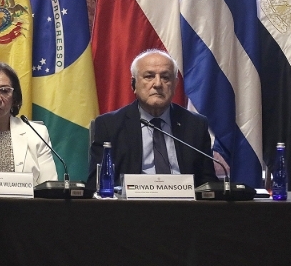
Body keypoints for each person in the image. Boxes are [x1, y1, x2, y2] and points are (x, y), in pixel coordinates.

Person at [87, 49, 219, 192]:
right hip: (130, 209)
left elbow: (208, 183)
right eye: (149, 76)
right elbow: (96, 184)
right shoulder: (110, 125)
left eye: (165, 77)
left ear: (175, 85)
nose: (157, 84)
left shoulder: (195, 125)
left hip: (184, 209)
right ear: (134, 84)